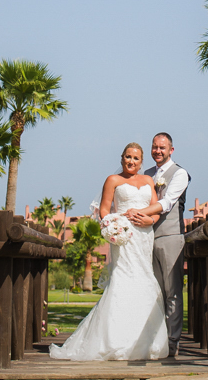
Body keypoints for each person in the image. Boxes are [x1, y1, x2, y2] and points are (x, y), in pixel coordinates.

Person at [49, 143, 169, 361]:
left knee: (144, 280)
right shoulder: (113, 180)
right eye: (128, 157)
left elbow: (156, 210)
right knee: (123, 280)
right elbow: (105, 209)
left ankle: (146, 343)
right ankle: (115, 341)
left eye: (136, 158)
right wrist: (114, 225)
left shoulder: (148, 181)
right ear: (122, 158)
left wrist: (149, 219)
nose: (131, 161)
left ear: (142, 162)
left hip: (144, 236)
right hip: (123, 237)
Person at [125, 132, 190, 358]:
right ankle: (154, 339)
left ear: (171, 150)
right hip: (146, 238)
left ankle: (173, 342)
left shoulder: (180, 173)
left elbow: (166, 202)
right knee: (153, 290)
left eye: (162, 147)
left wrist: (140, 213)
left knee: (172, 291)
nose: (157, 151)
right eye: (154, 147)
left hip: (171, 237)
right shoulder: (147, 174)